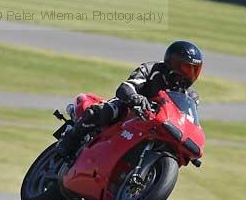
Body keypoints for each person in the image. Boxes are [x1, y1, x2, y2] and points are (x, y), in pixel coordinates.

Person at [56, 40, 203, 159]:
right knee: (106, 111)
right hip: (131, 109)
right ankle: (70, 140)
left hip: (158, 123)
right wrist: (135, 98)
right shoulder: (152, 69)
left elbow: (189, 121)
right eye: (186, 68)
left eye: (194, 70)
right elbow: (126, 87)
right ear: (172, 62)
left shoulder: (191, 96)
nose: (189, 74)